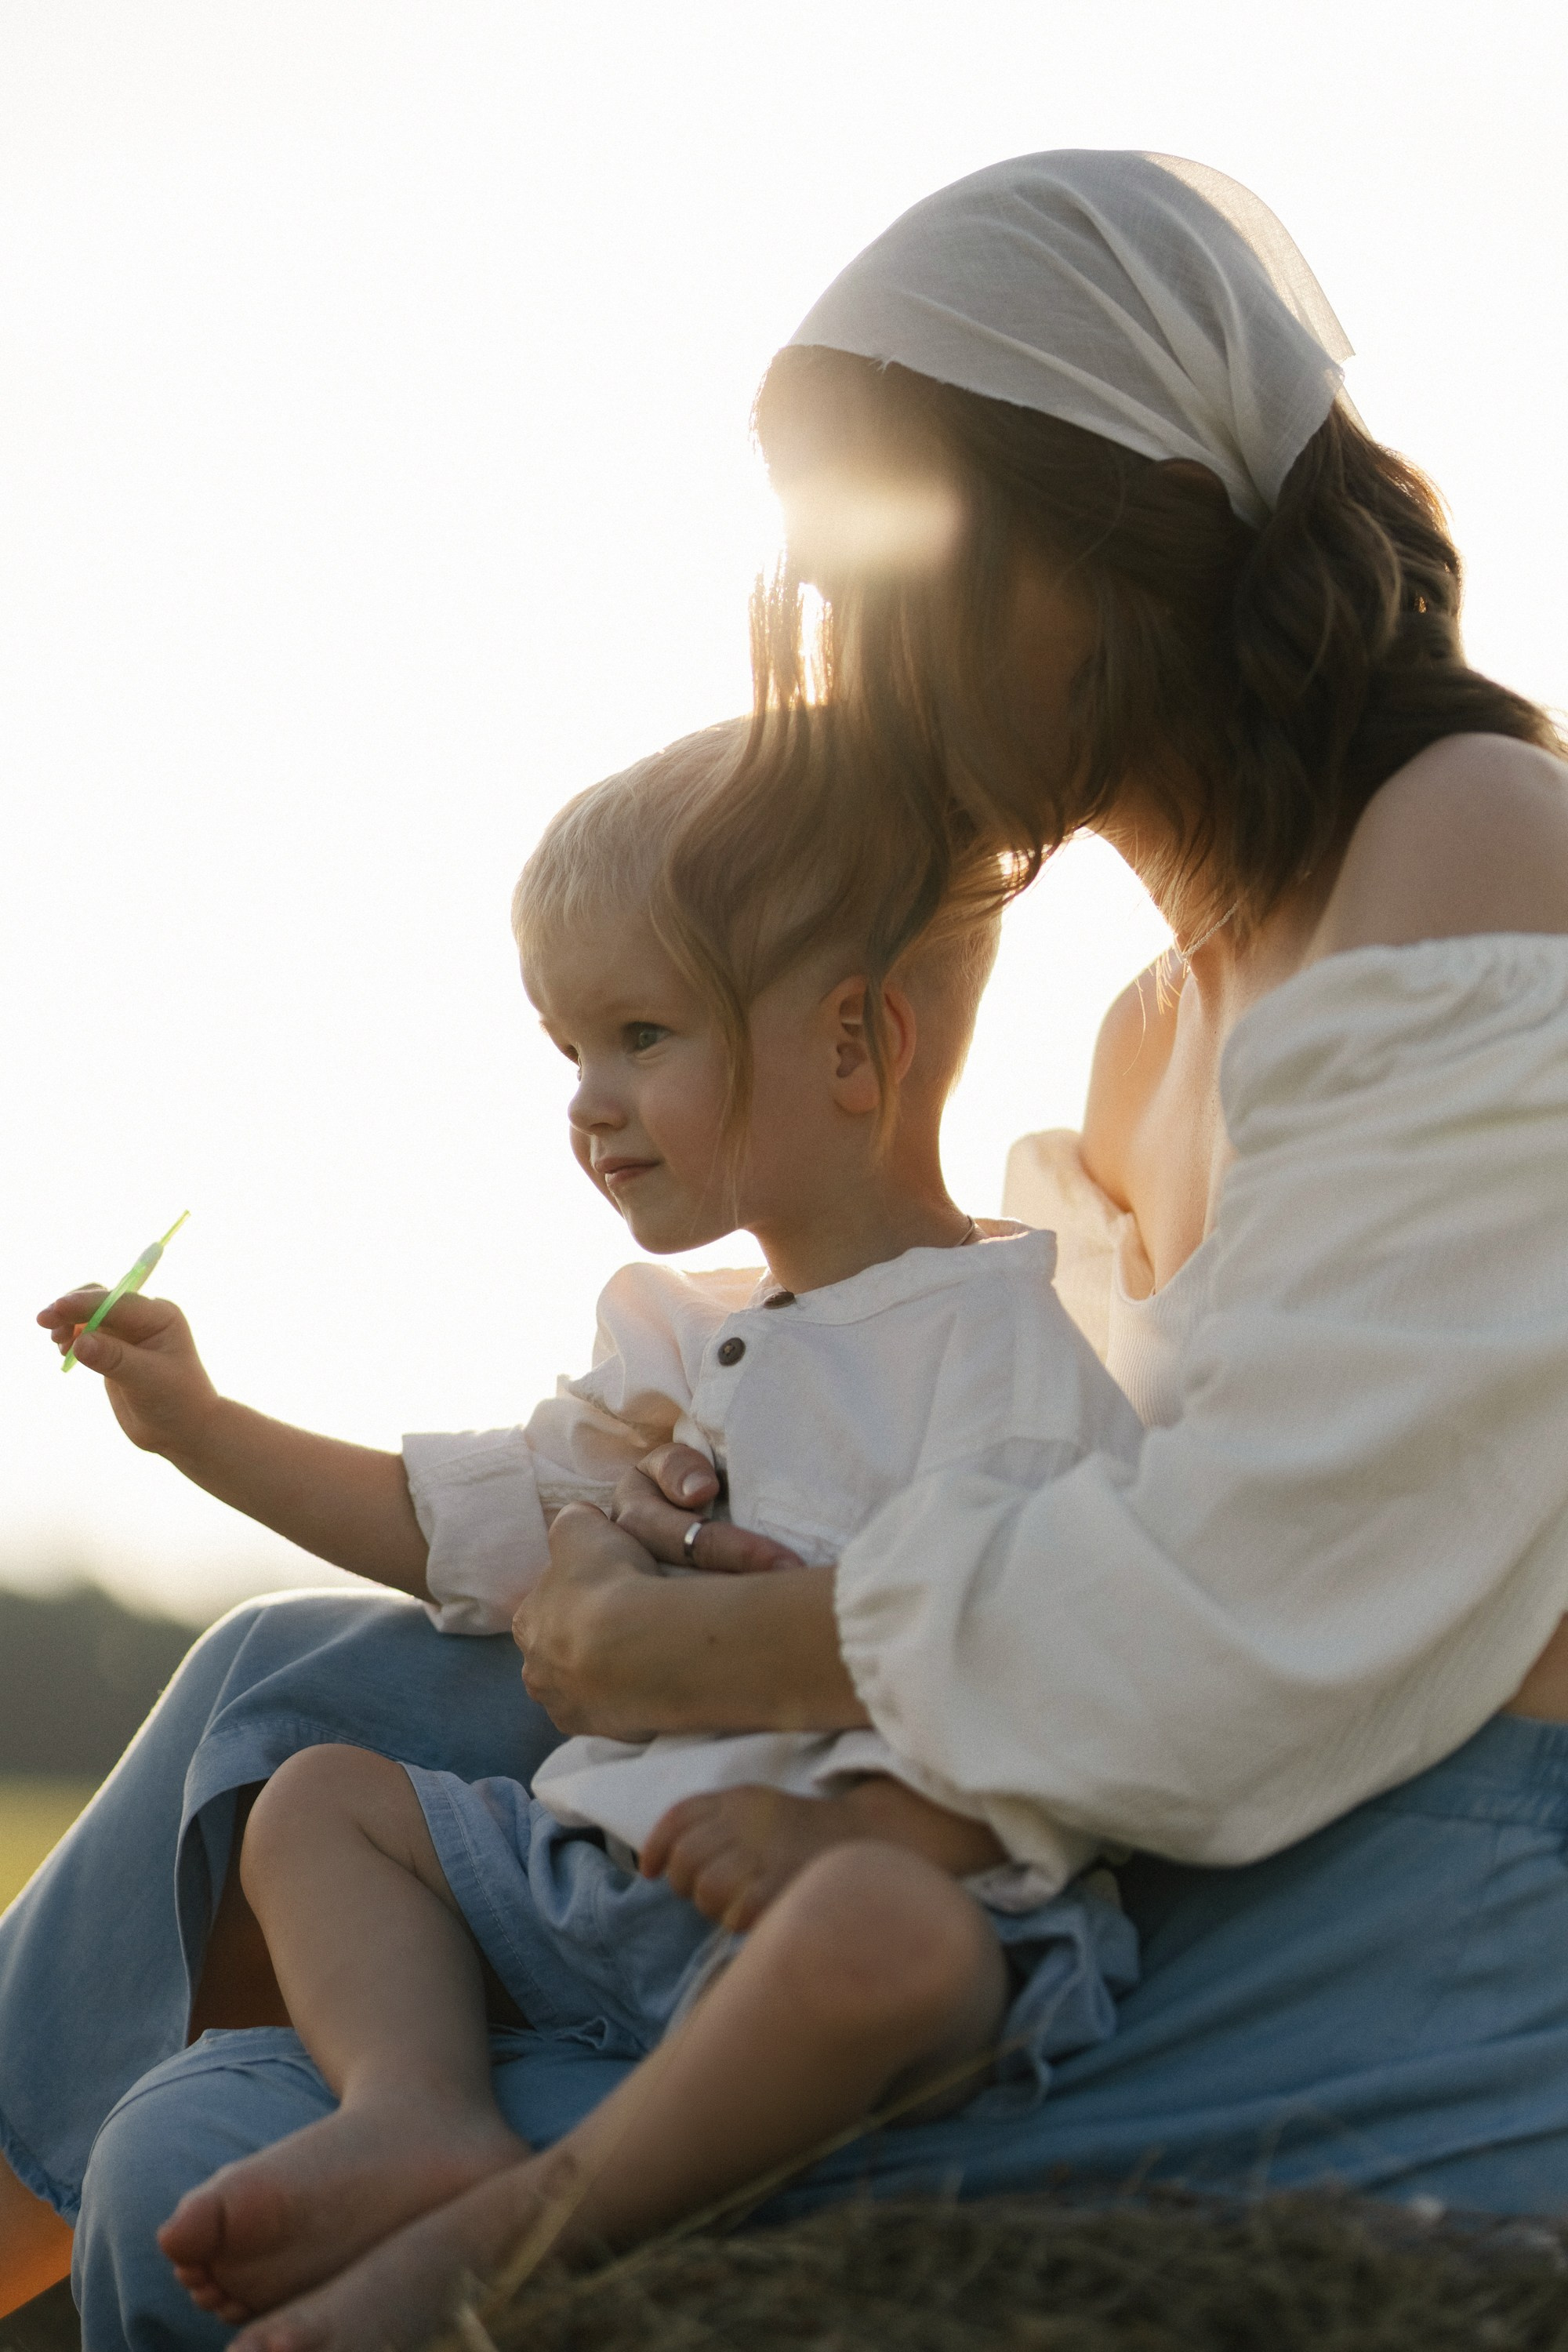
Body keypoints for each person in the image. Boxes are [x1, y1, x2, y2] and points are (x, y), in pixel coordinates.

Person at [6, 146, 1568, 2352]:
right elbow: (1025, 1504)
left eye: (889, 554)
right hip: (1108, 1796)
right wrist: (690, 1524)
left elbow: (1263, 1607)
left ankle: (429, 2178)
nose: (841, 638)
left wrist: (686, 1663)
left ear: (1103, 551)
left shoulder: (1474, 845)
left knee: (204, 2152)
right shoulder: (1153, 1020)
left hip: (1392, 1898)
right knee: (287, 1682)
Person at [41, 715, 1140, 2328]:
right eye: (568, 1047)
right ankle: (416, 2109)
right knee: (319, 1801)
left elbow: (1068, 1689)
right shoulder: (677, 1342)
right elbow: (454, 1528)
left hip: (854, 1910)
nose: (589, 1098)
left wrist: (858, 1836)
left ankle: (546, 2209)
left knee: (886, 1941)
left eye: (639, 1033)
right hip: (598, 1887)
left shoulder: (1006, 1365)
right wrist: (199, 1429)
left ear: (854, 1048)